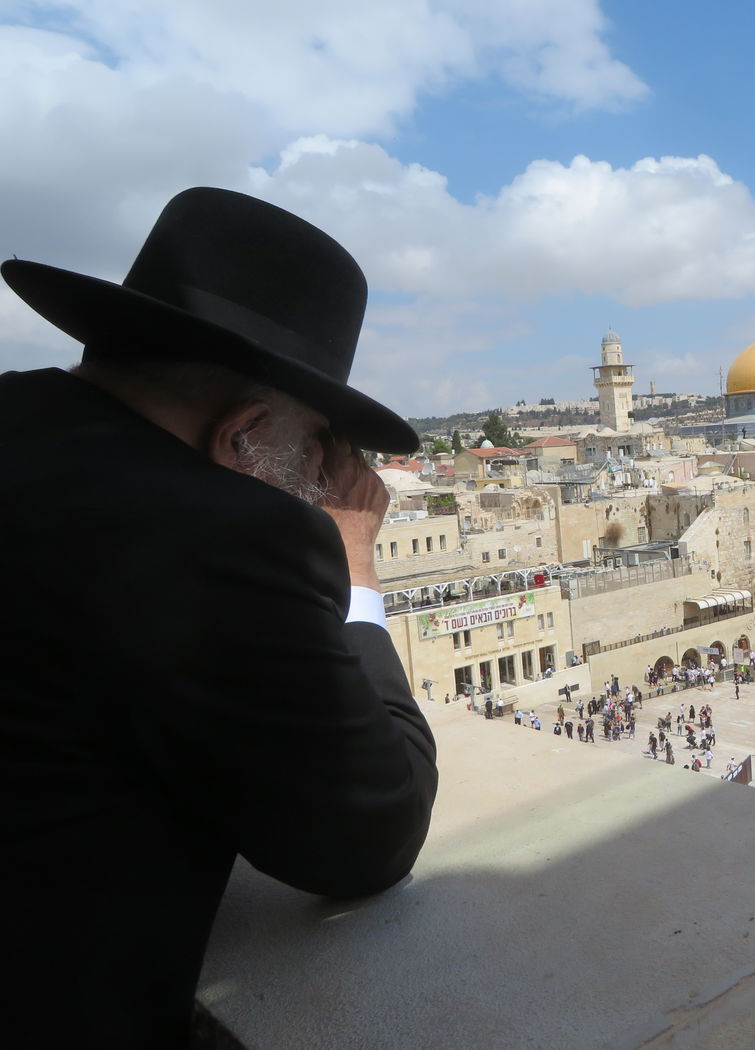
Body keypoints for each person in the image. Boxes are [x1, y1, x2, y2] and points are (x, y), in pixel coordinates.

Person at [0, 188, 440, 1047]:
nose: (331, 477)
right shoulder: (212, 535)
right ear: (241, 438)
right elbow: (369, 835)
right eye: (323, 444)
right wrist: (355, 565)